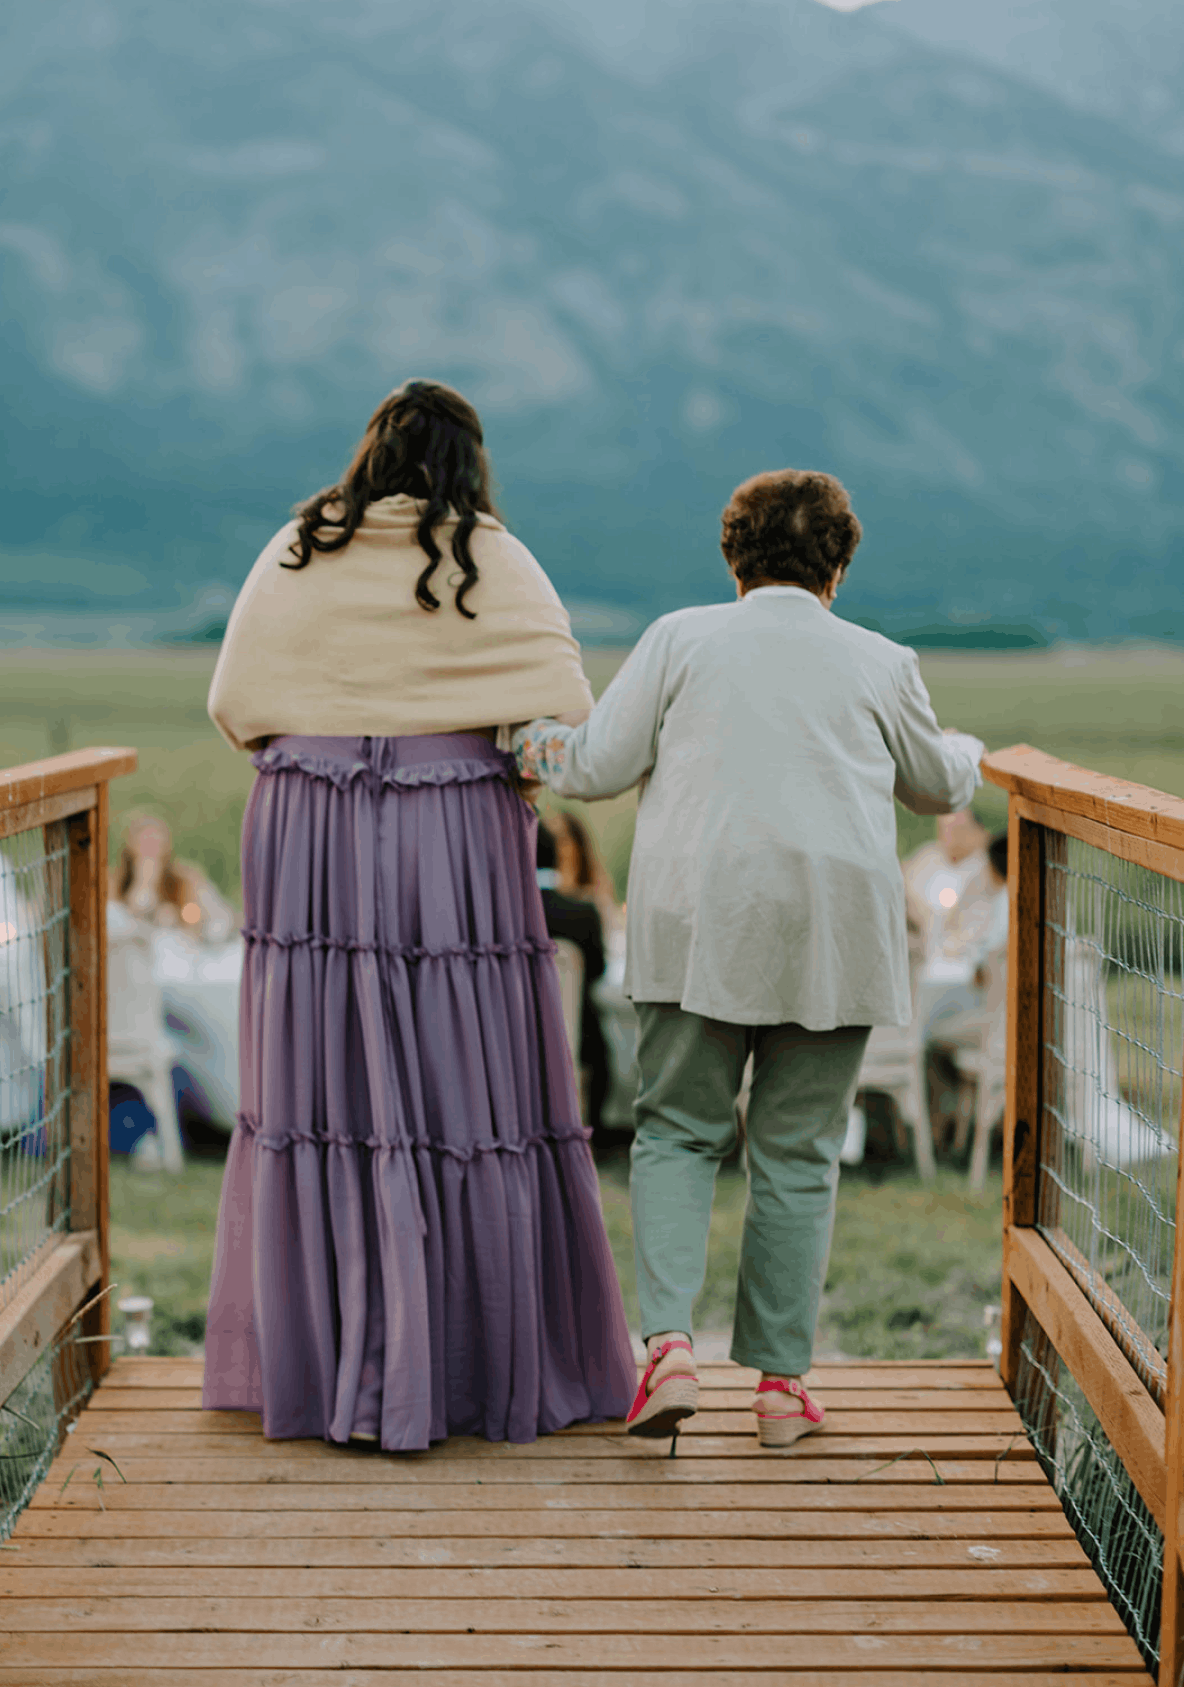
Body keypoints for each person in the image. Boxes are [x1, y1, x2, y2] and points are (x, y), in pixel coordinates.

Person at [202, 378, 635, 1450]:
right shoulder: (496, 557)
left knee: (324, 1086)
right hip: (452, 826)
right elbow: (562, 712)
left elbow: (233, 704)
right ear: (467, 465)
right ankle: (472, 1364)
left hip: (308, 822)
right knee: (465, 1083)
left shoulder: (295, 548)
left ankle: (328, 1361)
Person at [515, 467, 984, 1445]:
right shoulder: (879, 660)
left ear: (731, 556)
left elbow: (595, 767)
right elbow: (938, 787)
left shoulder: (678, 639)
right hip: (833, 927)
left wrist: (528, 742)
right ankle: (778, 1389)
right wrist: (973, 750)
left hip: (697, 917)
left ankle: (668, 1350)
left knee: (678, 1131)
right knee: (798, 1154)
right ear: (838, 565)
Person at [535, 822, 611, 1145]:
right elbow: (598, 972)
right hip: (576, 1038)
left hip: (518, 1036)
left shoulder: (505, 917)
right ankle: (594, 1133)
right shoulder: (583, 913)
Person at [109, 813, 236, 944]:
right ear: (132, 847)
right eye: (145, 842)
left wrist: (178, 919)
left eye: (155, 843)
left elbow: (209, 919)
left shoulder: (185, 879)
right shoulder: (115, 882)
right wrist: (143, 882)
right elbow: (119, 918)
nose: (150, 850)